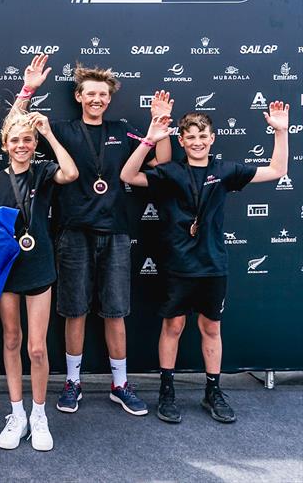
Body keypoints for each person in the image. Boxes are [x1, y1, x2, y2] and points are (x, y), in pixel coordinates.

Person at [15, 56, 172, 416]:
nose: (97, 99)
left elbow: (160, 163)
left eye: (103, 94)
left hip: (115, 233)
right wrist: (28, 89)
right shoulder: (63, 129)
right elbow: (15, 127)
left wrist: (158, 125)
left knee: (115, 311)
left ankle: (120, 384)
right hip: (73, 232)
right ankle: (73, 382)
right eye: (90, 94)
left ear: (109, 98)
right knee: (75, 310)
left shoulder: (124, 129)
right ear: (79, 96)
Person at [120, 101, 290, 424]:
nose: (197, 141)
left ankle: (213, 391)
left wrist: (281, 133)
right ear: (181, 141)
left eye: (203, 136)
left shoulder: (224, 170)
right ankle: (166, 390)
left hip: (213, 264)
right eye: (190, 137)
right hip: (178, 264)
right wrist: (150, 139)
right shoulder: (171, 172)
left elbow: (277, 171)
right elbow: (128, 175)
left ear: (213, 139)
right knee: (174, 326)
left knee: (211, 327)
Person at [0, 109, 78, 451]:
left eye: (27, 140)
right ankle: (16, 413)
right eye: (15, 140)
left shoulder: (44, 171)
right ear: (5, 144)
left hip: (38, 265)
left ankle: (39, 414)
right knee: (11, 340)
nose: (21, 145)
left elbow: (71, 172)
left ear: (34, 143)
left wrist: (50, 135)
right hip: (7, 269)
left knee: (36, 348)